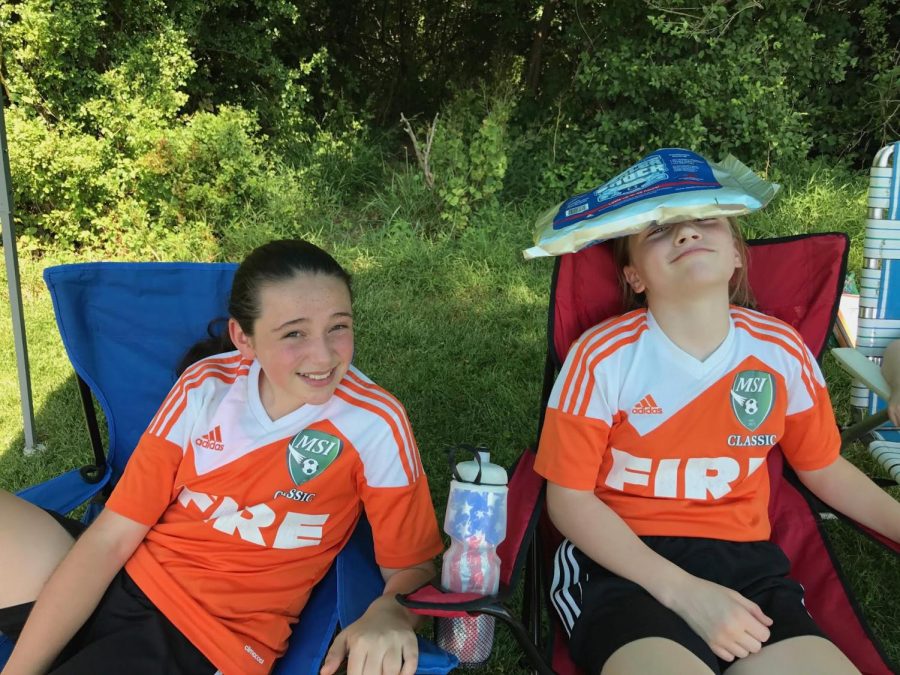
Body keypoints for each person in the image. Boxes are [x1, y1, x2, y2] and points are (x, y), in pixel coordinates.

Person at [0, 239, 444, 675]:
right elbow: (112, 536)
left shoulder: (374, 422)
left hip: (206, 637)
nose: (324, 354)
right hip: (127, 571)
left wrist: (392, 612)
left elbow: (414, 565)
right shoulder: (206, 385)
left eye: (338, 327)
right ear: (243, 338)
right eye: (294, 332)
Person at [534, 216, 900, 675]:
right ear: (635, 276)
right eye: (657, 232)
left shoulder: (780, 351)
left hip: (747, 567)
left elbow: (823, 468)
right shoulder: (602, 357)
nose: (686, 234)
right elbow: (569, 500)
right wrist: (685, 593)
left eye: (706, 221)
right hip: (622, 564)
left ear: (736, 256)